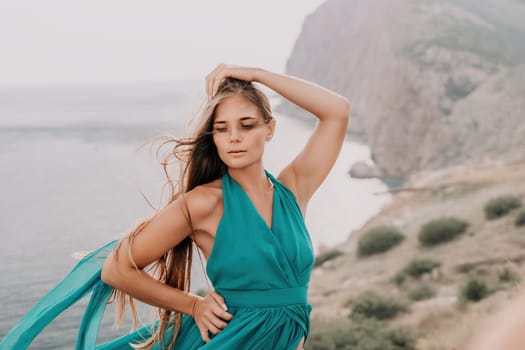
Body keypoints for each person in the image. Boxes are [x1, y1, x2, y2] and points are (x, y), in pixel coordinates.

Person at [0, 63, 350, 349]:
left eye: (247, 125)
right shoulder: (203, 203)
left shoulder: (293, 190)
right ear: (212, 138)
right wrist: (193, 305)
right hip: (226, 340)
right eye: (221, 129)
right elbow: (117, 270)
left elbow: (337, 111)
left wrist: (255, 74)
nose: (234, 138)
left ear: (269, 130)